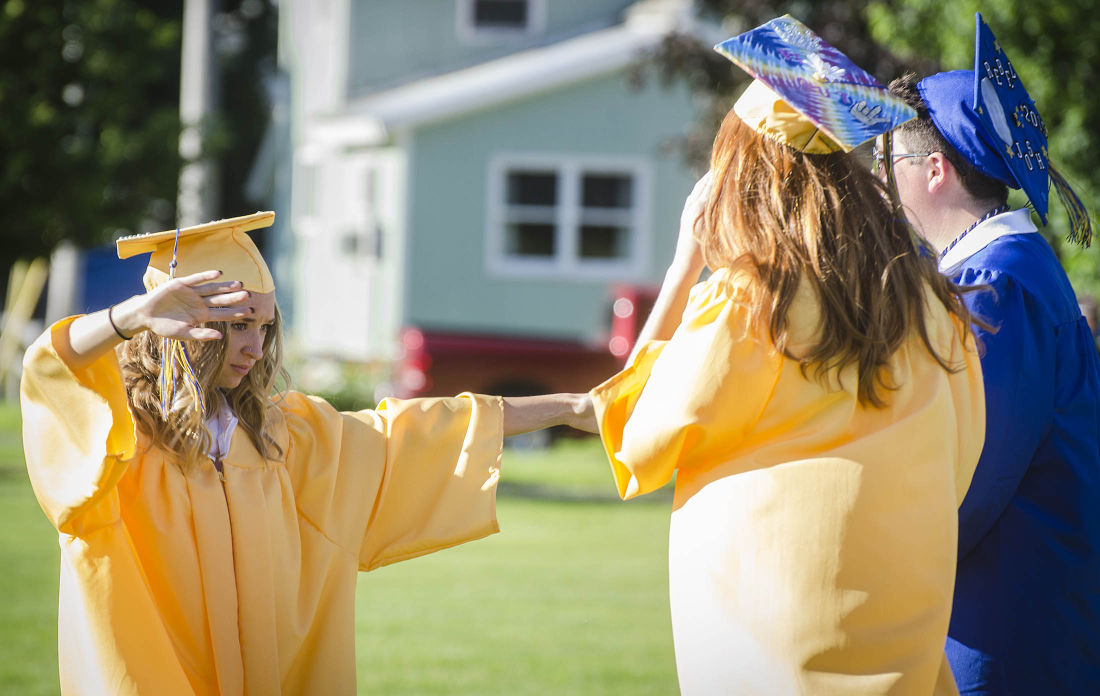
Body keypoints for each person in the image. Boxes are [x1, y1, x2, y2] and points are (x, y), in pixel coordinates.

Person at [20, 211, 594, 695]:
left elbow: (417, 433)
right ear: (177, 322)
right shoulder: (113, 441)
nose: (253, 345)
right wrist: (128, 318)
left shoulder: (281, 437)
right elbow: (51, 373)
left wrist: (567, 406)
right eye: (237, 323)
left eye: (264, 327)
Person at [588, 16, 985, 695]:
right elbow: (959, 465)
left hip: (775, 634)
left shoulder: (752, 303)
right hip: (903, 621)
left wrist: (686, 265)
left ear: (744, 174)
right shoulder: (934, 304)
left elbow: (637, 434)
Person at [882, 13, 1100, 695]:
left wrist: (875, 560)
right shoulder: (1004, 270)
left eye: (889, 163)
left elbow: (973, 475)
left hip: (1005, 636)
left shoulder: (999, 284)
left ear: (935, 170)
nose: (882, 182)